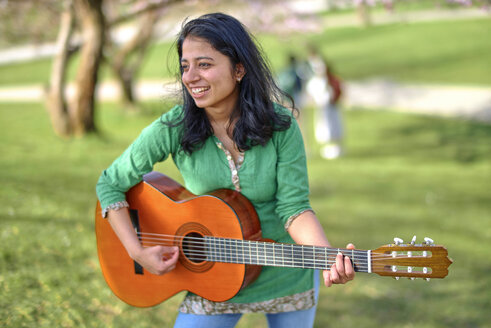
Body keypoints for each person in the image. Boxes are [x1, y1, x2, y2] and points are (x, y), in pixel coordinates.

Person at [96, 13, 354, 328]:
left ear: (239, 69)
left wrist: (327, 257)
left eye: (204, 64)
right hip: (213, 278)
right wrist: (137, 252)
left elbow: (294, 208)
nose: (190, 77)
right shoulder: (173, 127)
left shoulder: (281, 126)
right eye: (185, 66)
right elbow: (110, 183)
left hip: (284, 271)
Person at [305, 46, 344, 159]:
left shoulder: (325, 79)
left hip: (328, 104)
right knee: (325, 123)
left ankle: (334, 146)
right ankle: (329, 145)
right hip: (323, 105)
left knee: (331, 123)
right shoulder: (316, 80)